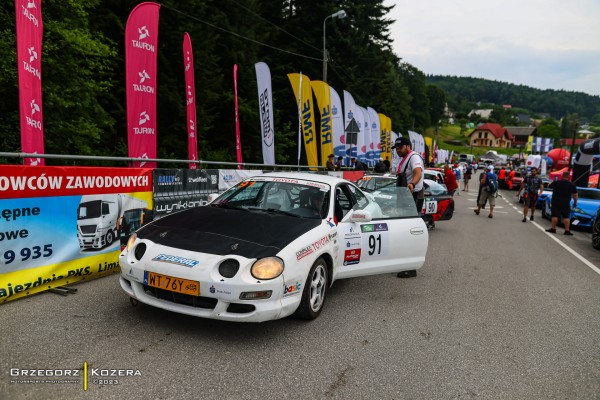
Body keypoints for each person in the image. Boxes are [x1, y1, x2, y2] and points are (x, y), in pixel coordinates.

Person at [392, 136, 424, 278]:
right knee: (404, 231)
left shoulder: (414, 158)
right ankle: (405, 263)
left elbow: (418, 172)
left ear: (407, 146)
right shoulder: (405, 158)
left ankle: (411, 268)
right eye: (396, 148)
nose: (397, 150)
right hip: (405, 197)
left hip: (413, 196)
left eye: (400, 147)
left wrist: (412, 184)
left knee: (410, 232)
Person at [545, 171, 578, 235]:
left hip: (556, 202)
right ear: (568, 177)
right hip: (566, 203)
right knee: (566, 216)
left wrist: (554, 182)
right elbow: (575, 194)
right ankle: (567, 230)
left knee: (555, 215)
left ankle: (553, 228)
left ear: (562, 176)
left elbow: (549, 186)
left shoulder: (556, 183)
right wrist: (575, 202)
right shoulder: (572, 185)